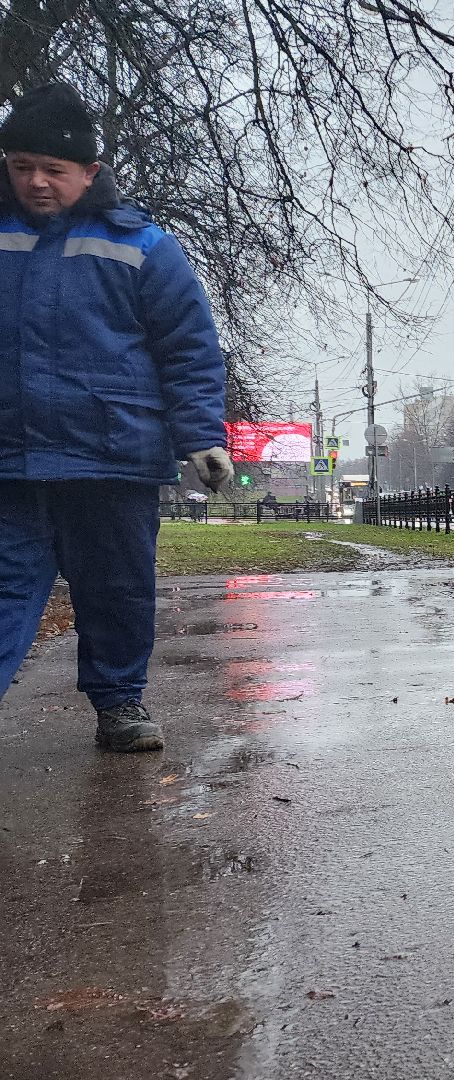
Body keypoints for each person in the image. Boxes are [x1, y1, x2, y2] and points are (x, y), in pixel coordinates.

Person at [0, 84, 231, 752]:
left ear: (89, 174)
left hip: (110, 455)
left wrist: (202, 438)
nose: (36, 182)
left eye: (54, 170)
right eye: (20, 167)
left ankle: (120, 704)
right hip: (11, 460)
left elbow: (187, 350)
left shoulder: (143, 248)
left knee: (117, 592)